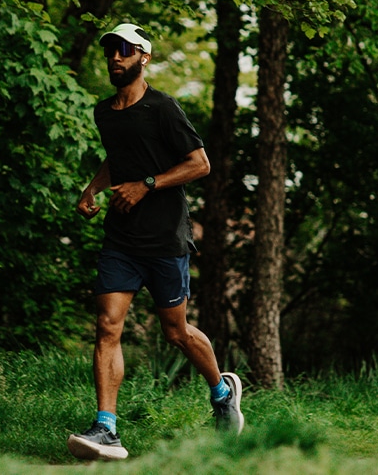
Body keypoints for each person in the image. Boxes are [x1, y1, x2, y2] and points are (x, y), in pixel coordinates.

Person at [67, 23, 243, 461]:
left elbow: (199, 164)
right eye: (110, 50)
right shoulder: (104, 112)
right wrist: (92, 188)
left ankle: (222, 392)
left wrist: (146, 184)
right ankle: (106, 427)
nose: (115, 57)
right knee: (108, 326)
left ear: (143, 57)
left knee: (175, 331)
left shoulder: (164, 109)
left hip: (165, 239)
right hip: (121, 238)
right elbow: (117, 156)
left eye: (124, 50)